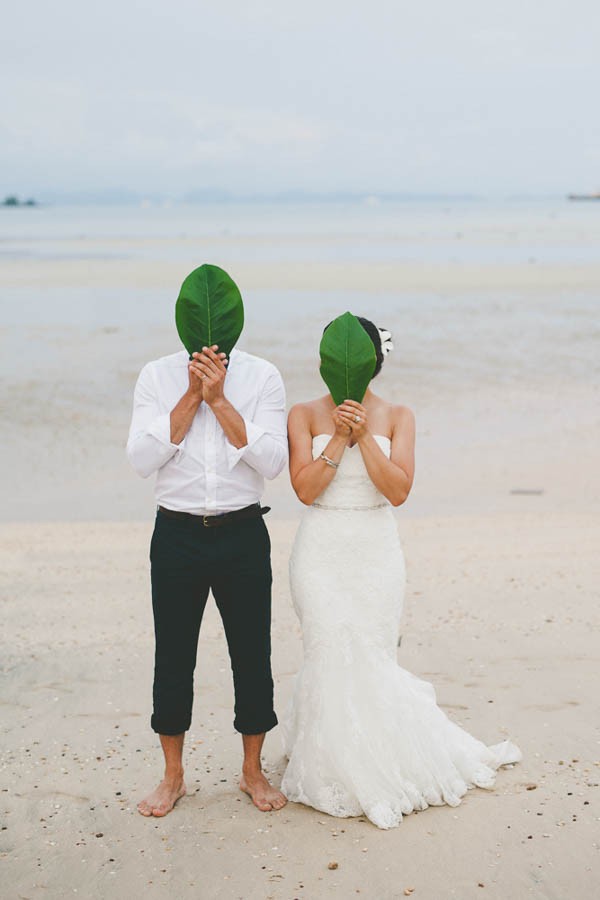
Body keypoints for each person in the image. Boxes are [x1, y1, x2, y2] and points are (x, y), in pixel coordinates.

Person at [281, 316, 522, 829]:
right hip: (321, 547)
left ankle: (378, 760)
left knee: (372, 652)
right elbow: (304, 490)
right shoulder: (301, 414)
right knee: (326, 647)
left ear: (374, 363)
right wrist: (336, 440)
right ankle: (328, 761)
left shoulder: (398, 416)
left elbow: (398, 491)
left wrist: (364, 436)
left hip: (376, 548)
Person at [127, 331, 288, 817]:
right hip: (176, 533)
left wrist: (218, 401)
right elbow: (140, 460)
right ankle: (173, 776)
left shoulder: (263, 375)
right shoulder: (156, 375)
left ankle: (252, 771)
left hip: (242, 530)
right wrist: (192, 394)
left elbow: (275, 463)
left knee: (252, 653)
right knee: (173, 656)